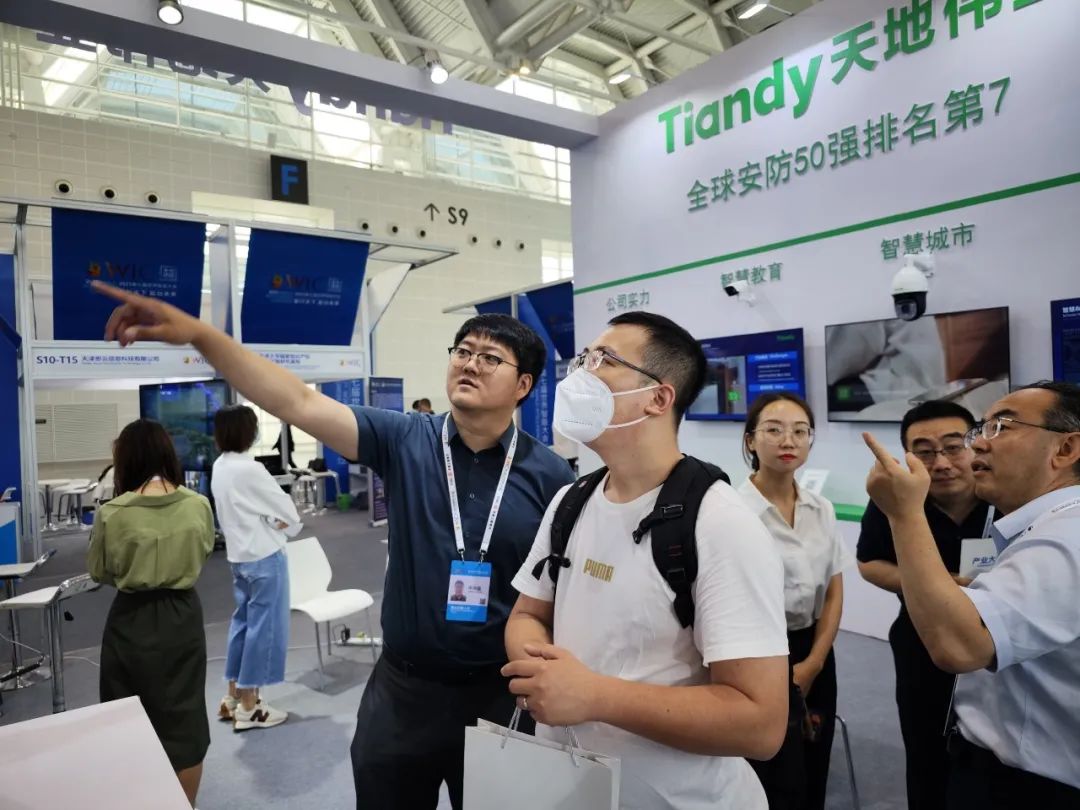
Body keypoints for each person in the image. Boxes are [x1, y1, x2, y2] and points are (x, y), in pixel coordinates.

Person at [93, 281, 575, 810]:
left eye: (490, 357)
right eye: (463, 351)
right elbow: (298, 401)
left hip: (498, 695)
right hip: (403, 692)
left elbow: (561, 592)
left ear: (524, 384)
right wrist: (203, 336)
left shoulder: (550, 476)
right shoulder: (406, 439)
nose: (470, 364)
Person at [505, 311, 789, 810]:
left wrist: (593, 696)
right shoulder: (571, 502)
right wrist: (544, 675)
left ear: (658, 398)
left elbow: (761, 724)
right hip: (571, 789)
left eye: (604, 360)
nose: (581, 375)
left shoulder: (721, 523)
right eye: (583, 359)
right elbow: (528, 613)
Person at [863, 381, 1080, 808]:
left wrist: (905, 515)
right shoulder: (1040, 525)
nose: (978, 443)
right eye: (981, 428)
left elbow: (960, 646)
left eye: (1002, 427)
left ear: (1066, 448)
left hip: (1032, 784)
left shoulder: (1066, 537)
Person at [856, 400, 991, 810]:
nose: (942, 463)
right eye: (926, 452)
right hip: (921, 643)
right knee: (926, 750)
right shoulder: (895, 500)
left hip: (999, 646)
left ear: (976, 443)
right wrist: (935, 585)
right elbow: (869, 563)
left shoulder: (1005, 495)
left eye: (953, 446)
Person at [87, 419, 214, 808]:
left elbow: (99, 571)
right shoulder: (198, 505)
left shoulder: (113, 513)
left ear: (126, 460)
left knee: (127, 714)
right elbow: (205, 550)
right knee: (185, 718)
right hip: (183, 616)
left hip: (131, 619)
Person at [736, 392, 852, 810]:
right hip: (756, 652)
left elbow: (834, 589)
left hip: (815, 648)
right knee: (770, 769)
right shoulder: (731, 512)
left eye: (800, 432)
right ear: (751, 441)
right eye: (774, 430)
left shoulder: (822, 508)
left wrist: (816, 661)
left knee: (815, 757)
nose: (789, 441)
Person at [212, 404, 303, 731]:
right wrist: (279, 523)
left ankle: (232, 697)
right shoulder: (251, 469)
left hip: (239, 558)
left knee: (243, 625)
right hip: (265, 557)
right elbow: (288, 513)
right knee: (263, 630)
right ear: (249, 432)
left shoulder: (220, 466)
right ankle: (250, 707)